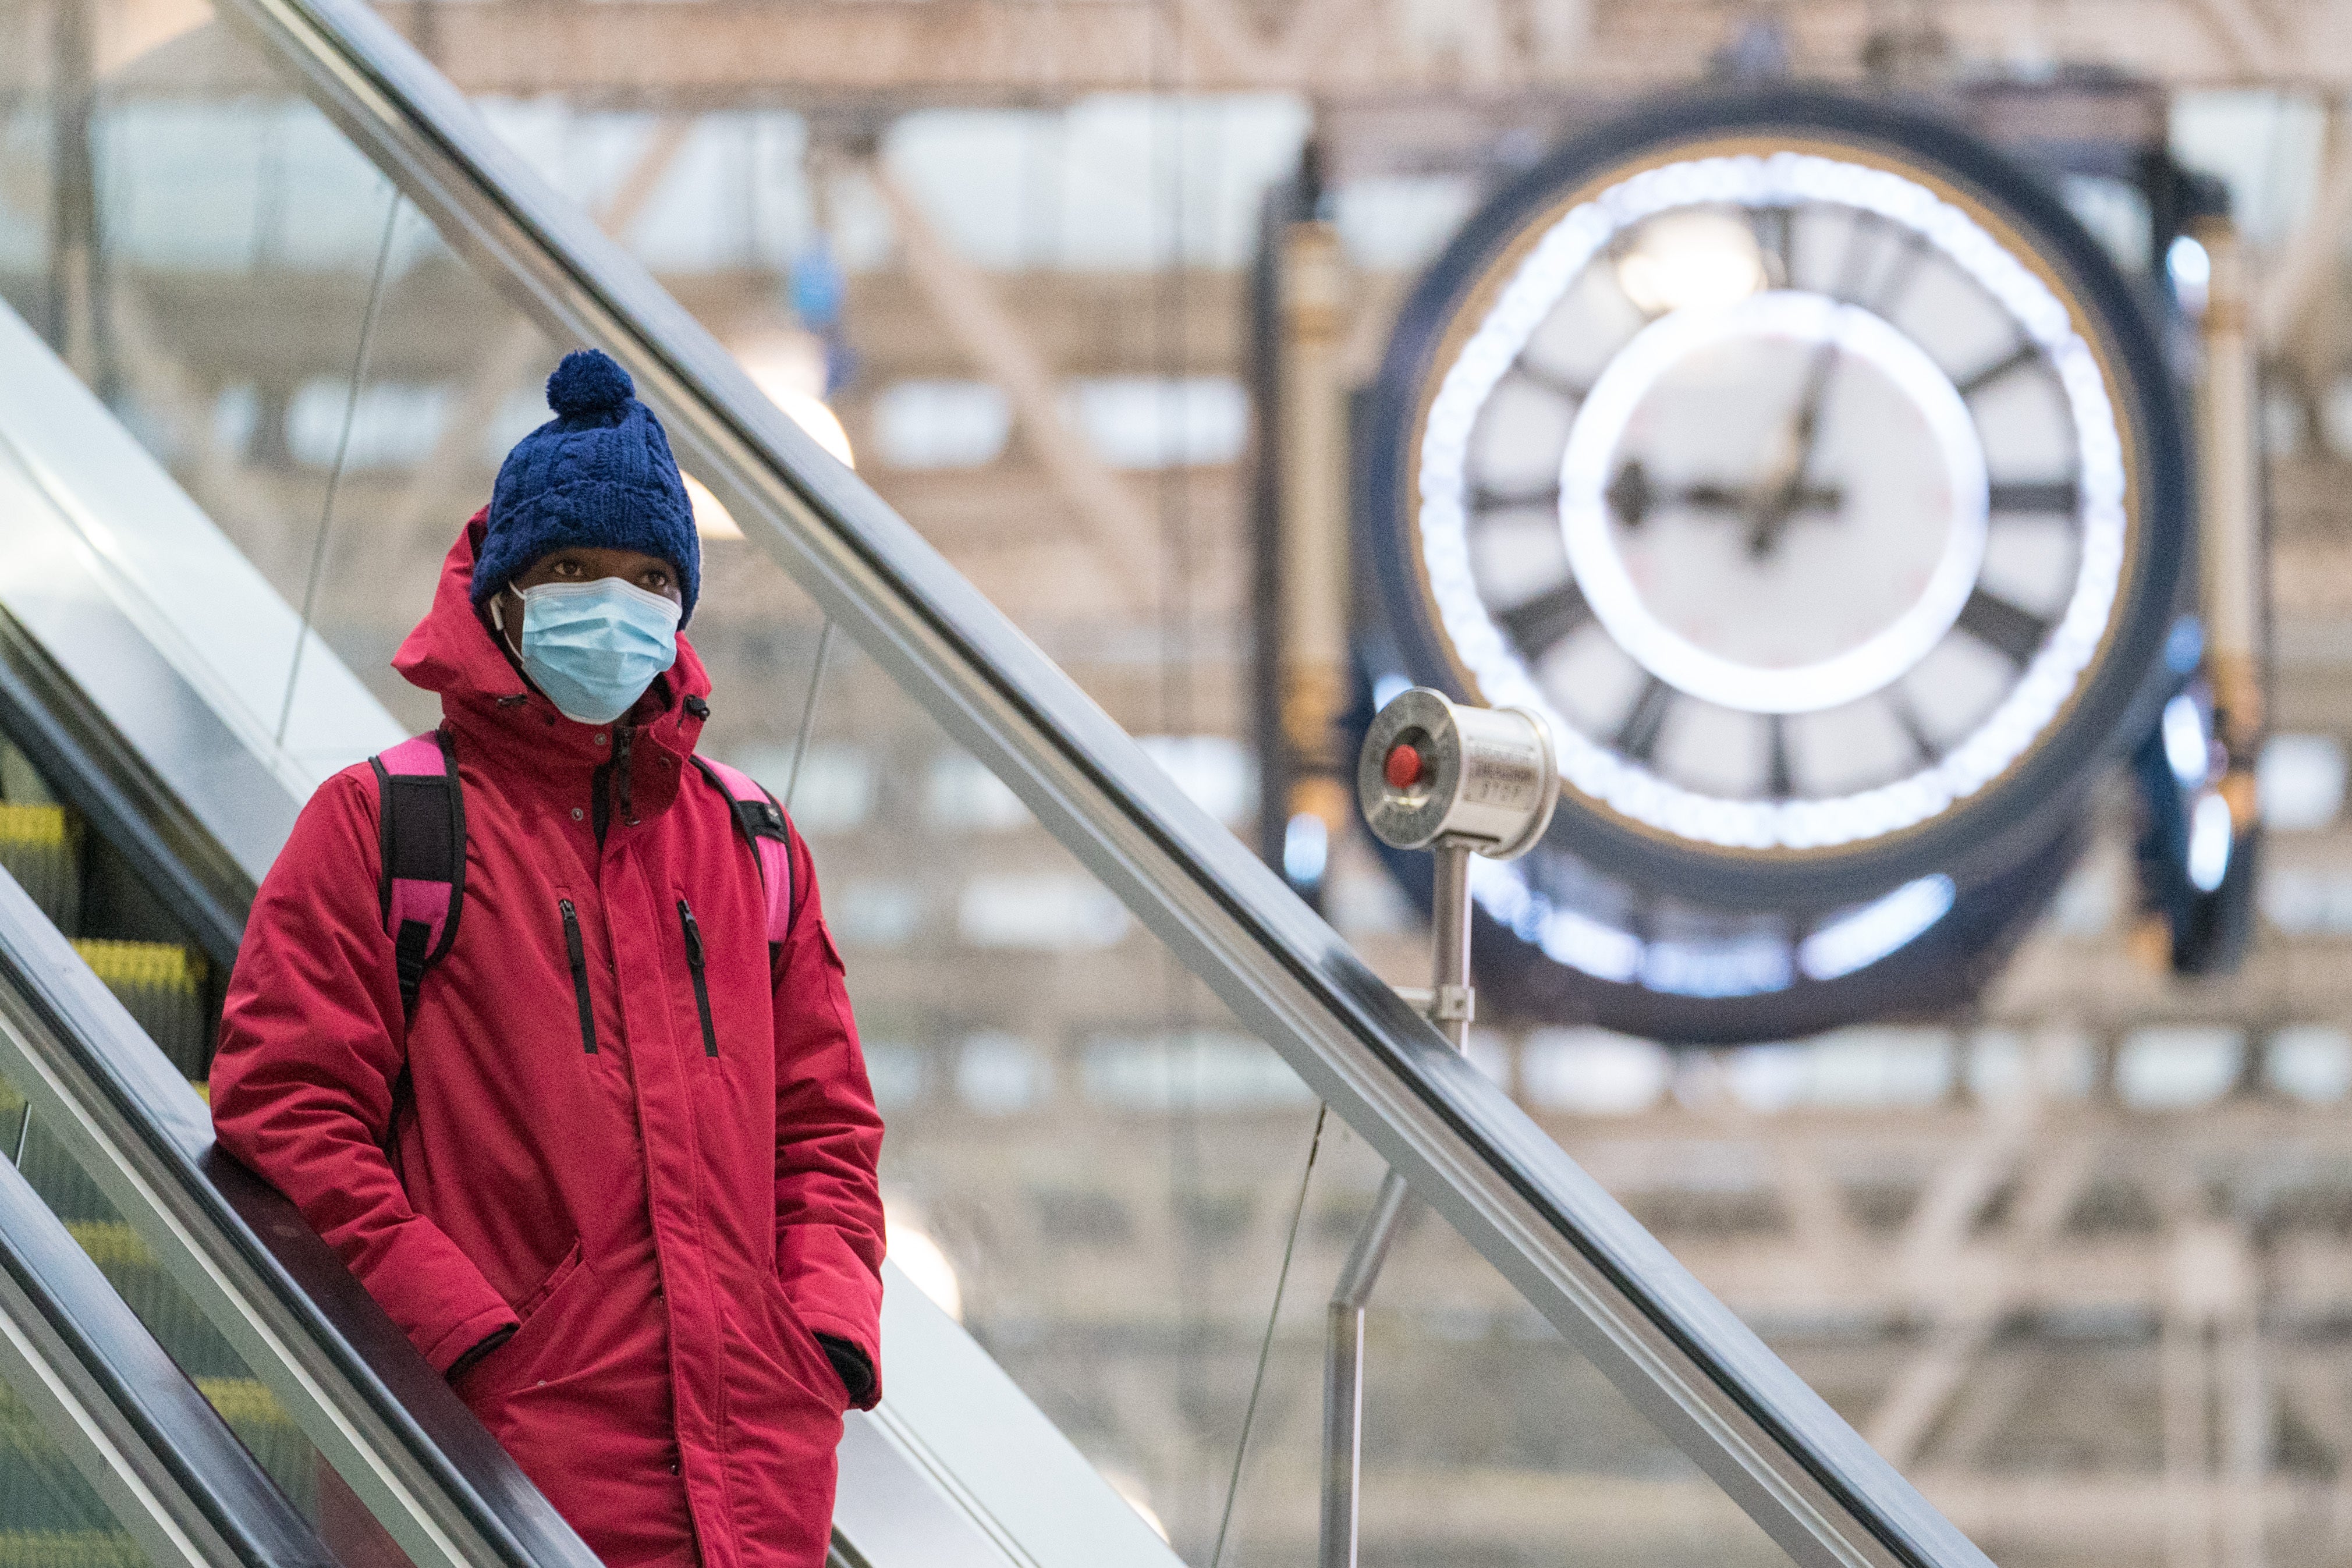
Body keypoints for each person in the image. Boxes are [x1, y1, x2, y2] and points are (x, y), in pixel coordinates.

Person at [210, 349, 885, 1568]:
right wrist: (464, 1333)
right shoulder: (385, 825)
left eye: (644, 578)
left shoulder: (754, 846)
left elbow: (827, 1129)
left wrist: (820, 1332)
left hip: (751, 1487)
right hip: (488, 1476)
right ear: (504, 595)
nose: (609, 603)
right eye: (571, 571)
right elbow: (284, 1110)